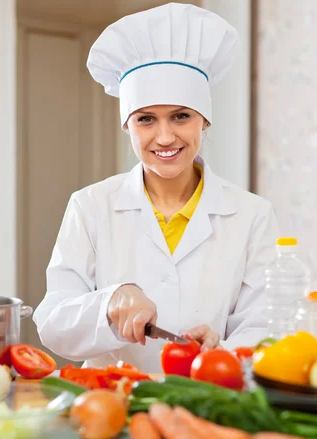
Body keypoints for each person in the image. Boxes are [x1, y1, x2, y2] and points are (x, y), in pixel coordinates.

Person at [32, 2, 279, 374]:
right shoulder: (90, 206)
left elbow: (266, 326)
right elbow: (53, 323)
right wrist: (110, 304)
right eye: (146, 119)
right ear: (127, 126)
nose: (165, 136)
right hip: (112, 397)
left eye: (181, 116)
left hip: (208, 396)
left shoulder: (252, 215)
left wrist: (223, 350)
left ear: (204, 121)